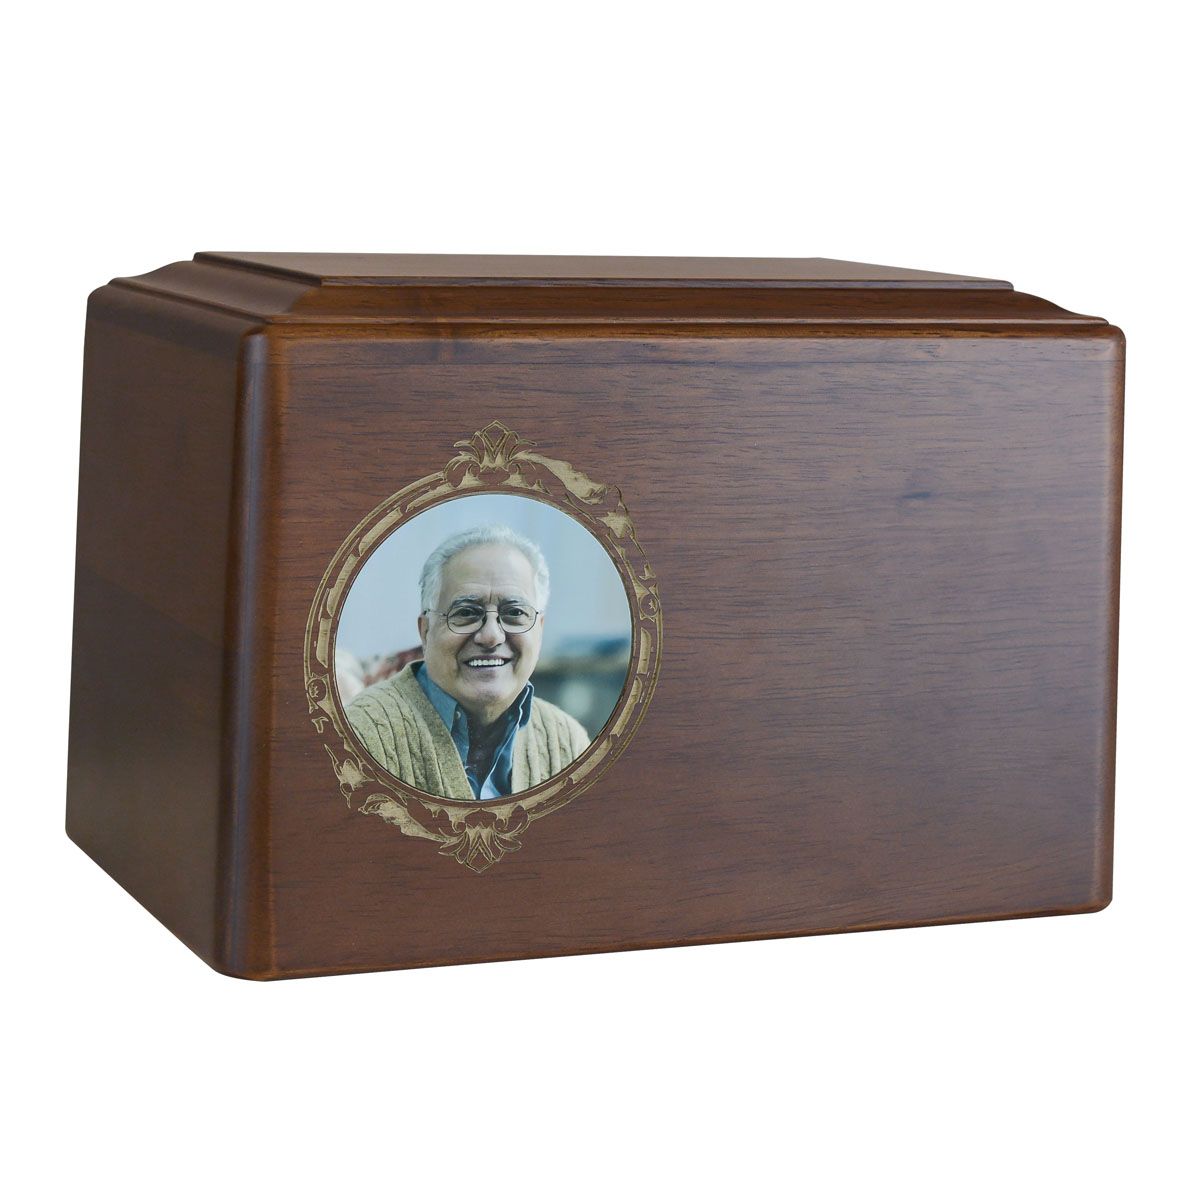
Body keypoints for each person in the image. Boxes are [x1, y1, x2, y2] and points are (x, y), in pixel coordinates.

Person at [345, 524, 590, 800]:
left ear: (539, 629)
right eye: (466, 612)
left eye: (514, 612)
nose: (491, 636)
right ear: (425, 631)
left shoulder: (568, 744)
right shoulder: (359, 737)